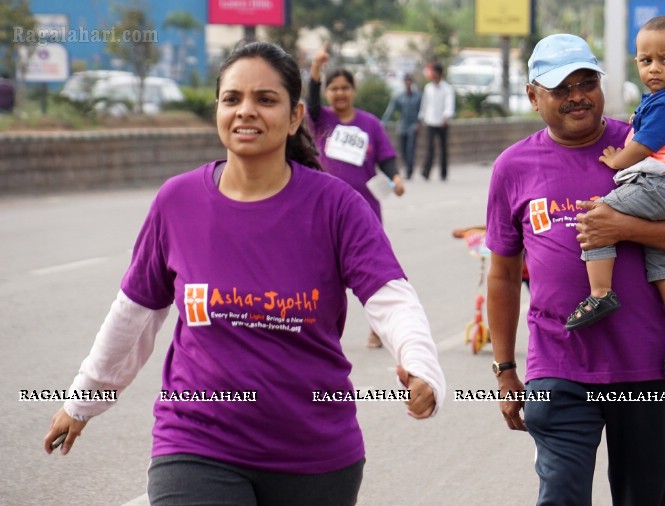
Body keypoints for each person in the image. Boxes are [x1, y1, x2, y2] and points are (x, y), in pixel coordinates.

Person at [43, 41, 444, 506]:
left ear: (295, 116)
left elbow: (390, 296)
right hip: (196, 440)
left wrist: (420, 366)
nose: (245, 111)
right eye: (232, 99)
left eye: (265, 99)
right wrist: (83, 400)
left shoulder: (337, 207)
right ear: (218, 109)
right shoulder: (178, 202)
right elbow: (133, 315)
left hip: (314, 452)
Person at [485, 33, 665, 506]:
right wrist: (506, 369)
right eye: (560, 87)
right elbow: (503, 275)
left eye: (587, 82)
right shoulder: (513, 167)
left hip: (648, 365)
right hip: (559, 363)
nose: (576, 96)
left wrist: (623, 226)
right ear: (533, 96)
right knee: (561, 498)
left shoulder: (639, 141)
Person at [564, 17, 665, 379]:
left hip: (655, 186)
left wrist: (618, 158)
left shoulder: (663, 105)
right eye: (646, 60)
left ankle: (600, 292)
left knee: (598, 217)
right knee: (661, 265)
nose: (654, 68)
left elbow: (644, 145)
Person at [307, 43, 406, 222]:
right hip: (327, 205)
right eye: (333, 89)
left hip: (365, 206)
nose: (340, 93)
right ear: (326, 92)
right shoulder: (321, 119)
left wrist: (396, 178)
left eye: (345, 88)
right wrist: (315, 66)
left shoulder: (371, 123)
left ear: (354, 90)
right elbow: (311, 101)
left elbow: (386, 159)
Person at [418, 62, 455, 182]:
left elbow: (449, 104)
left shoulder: (447, 88)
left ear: (438, 73)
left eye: (433, 72)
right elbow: (425, 104)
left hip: (442, 122)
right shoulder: (428, 88)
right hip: (430, 121)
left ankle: (443, 173)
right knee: (430, 147)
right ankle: (426, 172)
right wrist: (421, 117)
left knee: (443, 148)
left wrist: (446, 116)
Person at [382, 73, 422, 180]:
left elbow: (422, 111)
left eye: (410, 81)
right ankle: (407, 166)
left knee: (410, 149)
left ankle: (409, 171)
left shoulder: (418, 96)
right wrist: (382, 124)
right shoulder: (399, 97)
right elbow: (390, 111)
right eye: (406, 81)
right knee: (402, 150)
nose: (408, 83)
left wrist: (419, 123)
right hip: (403, 125)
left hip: (413, 126)